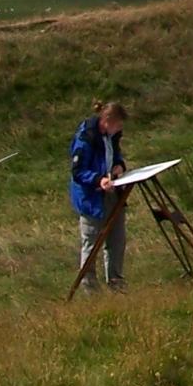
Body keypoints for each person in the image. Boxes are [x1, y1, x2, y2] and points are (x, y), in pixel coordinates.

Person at [69, 100, 129, 292]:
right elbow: (78, 171)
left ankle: (116, 284)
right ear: (107, 121)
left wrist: (119, 165)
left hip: (113, 193)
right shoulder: (86, 137)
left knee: (117, 240)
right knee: (91, 242)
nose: (119, 128)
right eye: (118, 124)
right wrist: (98, 180)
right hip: (91, 198)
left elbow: (114, 155)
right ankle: (90, 289)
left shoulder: (112, 136)